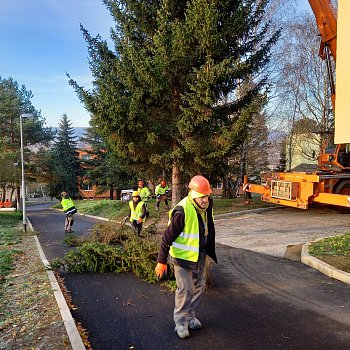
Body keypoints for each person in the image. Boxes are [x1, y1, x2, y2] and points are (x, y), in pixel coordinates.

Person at [155, 175, 217, 339]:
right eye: (202, 196)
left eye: (207, 196)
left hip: (198, 255)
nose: (205, 200)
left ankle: (190, 316)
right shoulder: (182, 211)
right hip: (182, 258)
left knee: (198, 286)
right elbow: (167, 238)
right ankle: (180, 323)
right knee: (186, 289)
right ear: (193, 195)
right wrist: (161, 262)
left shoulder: (206, 207)